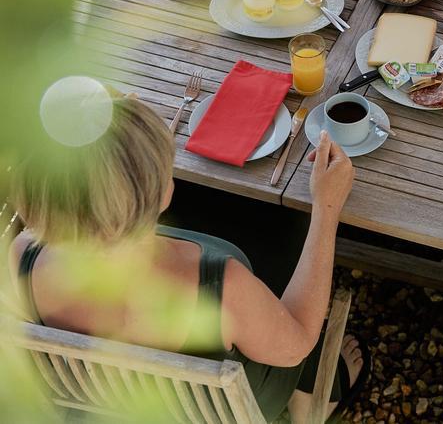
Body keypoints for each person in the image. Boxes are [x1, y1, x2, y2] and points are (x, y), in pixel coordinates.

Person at [7, 91, 366, 422]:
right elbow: (297, 344)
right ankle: (308, 403)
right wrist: (327, 206)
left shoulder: (24, 254)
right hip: (220, 411)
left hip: (102, 403)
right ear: (163, 196)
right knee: (292, 241)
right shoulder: (220, 285)